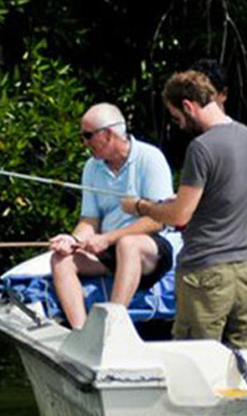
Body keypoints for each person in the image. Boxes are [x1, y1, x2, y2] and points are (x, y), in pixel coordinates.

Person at [120, 70, 247, 348]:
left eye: (177, 117)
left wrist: (141, 206)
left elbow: (179, 215)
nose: (178, 124)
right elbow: (226, 196)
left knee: (195, 364)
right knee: (246, 370)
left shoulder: (201, 148)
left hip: (205, 275)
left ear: (188, 106)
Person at [49, 103, 174, 329]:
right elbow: (90, 219)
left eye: (88, 136)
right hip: (110, 250)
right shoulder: (91, 167)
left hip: (149, 250)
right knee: (60, 259)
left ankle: (112, 327)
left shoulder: (150, 158)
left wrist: (108, 238)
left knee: (128, 244)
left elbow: (159, 219)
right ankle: (81, 332)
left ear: (107, 135)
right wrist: (73, 240)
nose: (84, 143)